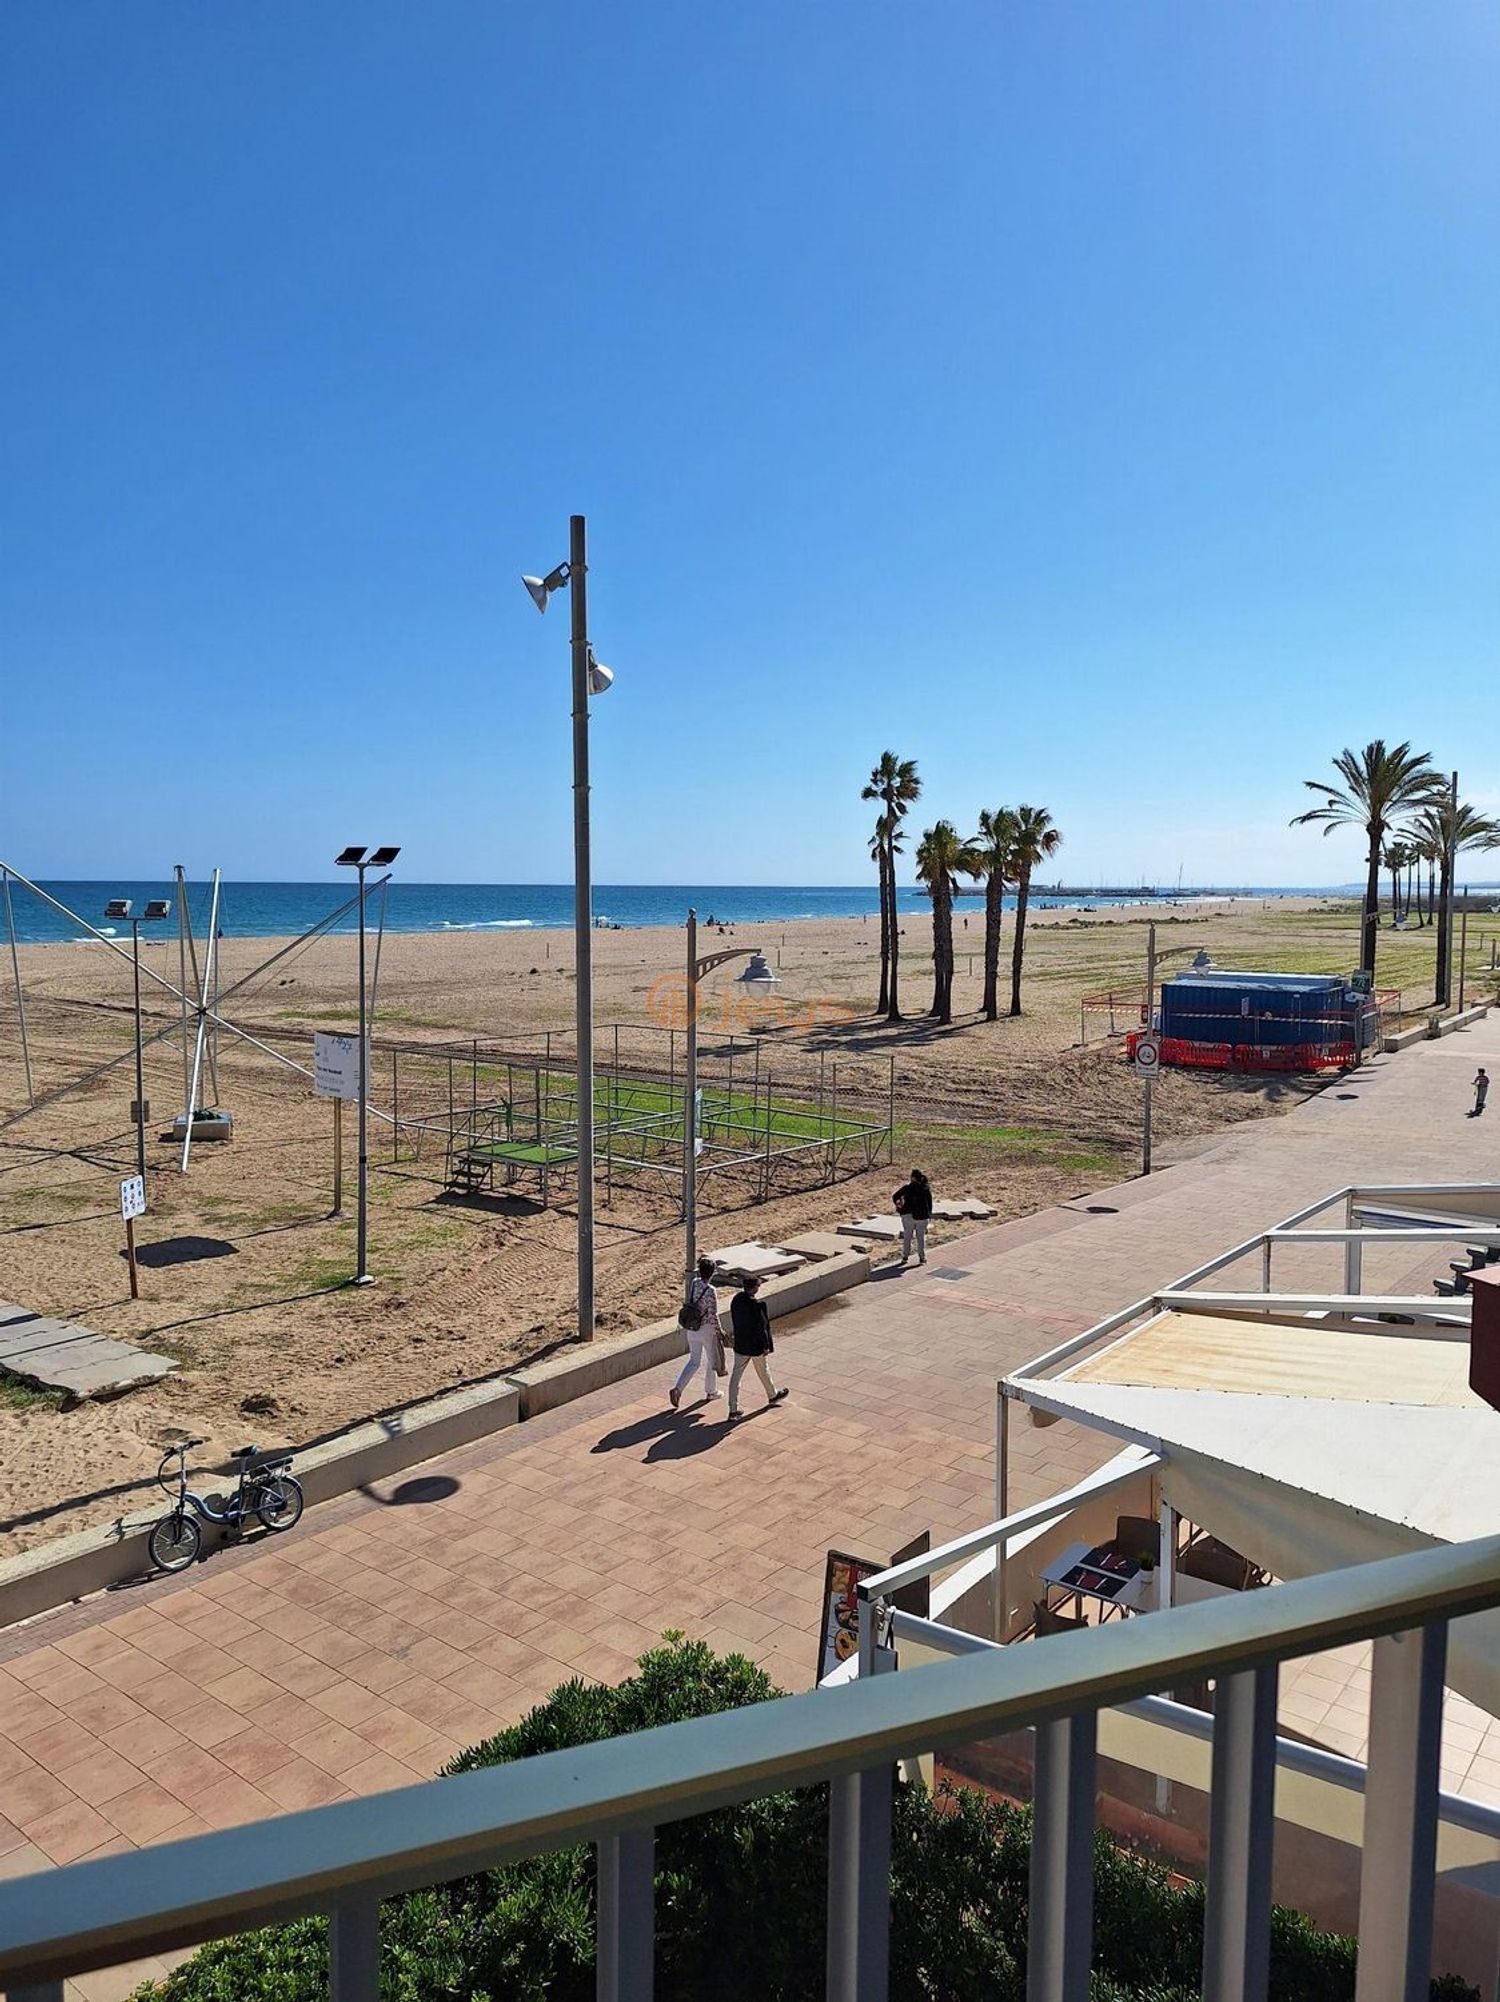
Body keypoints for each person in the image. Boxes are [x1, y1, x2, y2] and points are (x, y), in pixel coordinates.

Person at [727, 1272, 788, 1423]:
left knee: (736, 1377)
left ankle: (733, 1409)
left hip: (741, 1344)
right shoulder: (757, 1306)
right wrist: (766, 1345)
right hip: (755, 1347)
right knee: (763, 1370)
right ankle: (772, 1395)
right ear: (754, 1288)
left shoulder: (736, 1300)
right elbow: (762, 1328)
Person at [669, 1256, 724, 1408]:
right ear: (712, 1273)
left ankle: (678, 1389)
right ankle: (711, 1391)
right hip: (706, 1329)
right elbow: (713, 1314)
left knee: (694, 1361)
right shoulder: (711, 1290)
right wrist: (719, 1331)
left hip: (692, 1327)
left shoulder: (694, 1284)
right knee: (712, 1360)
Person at [892, 1167, 933, 1267]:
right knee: (920, 1238)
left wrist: (899, 1205)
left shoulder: (907, 1188)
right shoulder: (925, 1188)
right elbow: (930, 1204)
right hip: (922, 1216)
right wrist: (929, 1215)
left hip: (908, 1215)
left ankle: (905, 1257)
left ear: (913, 1178)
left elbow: (895, 1196)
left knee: (907, 1237)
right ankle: (922, 1258)